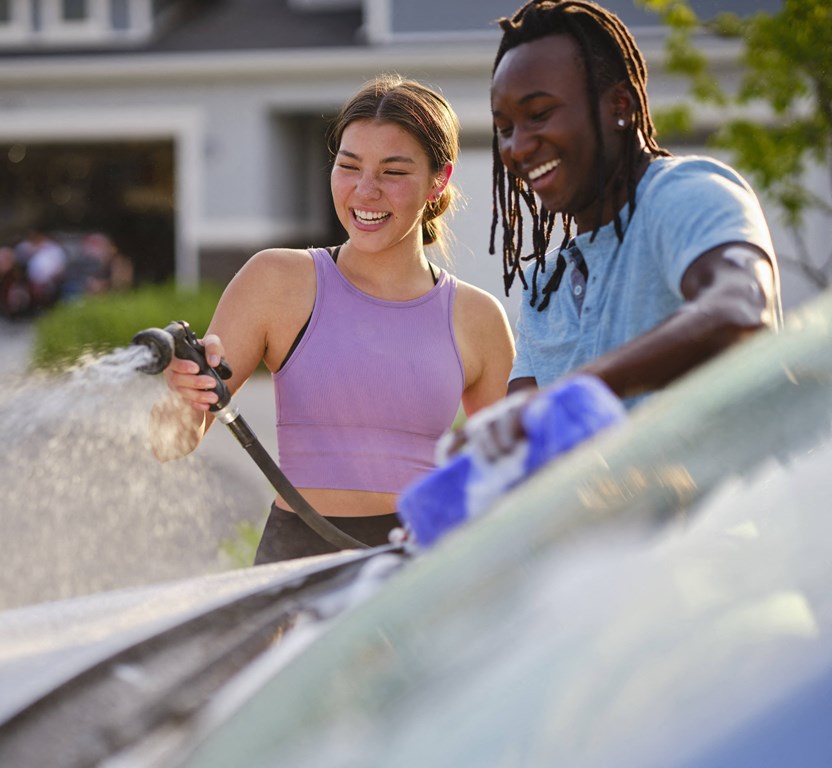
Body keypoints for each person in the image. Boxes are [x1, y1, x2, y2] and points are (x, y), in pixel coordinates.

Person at [150, 74, 516, 564]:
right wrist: (182, 395)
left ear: (439, 180)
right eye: (349, 166)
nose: (365, 191)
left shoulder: (479, 317)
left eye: (393, 171)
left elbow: (514, 473)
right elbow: (169, 443)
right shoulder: (276, 280)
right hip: (295, 559)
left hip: (420, 565)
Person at [455, 0, 782, 458]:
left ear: (620, 106)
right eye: (505, 128)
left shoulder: (684, 194)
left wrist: (576, 393)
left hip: (731, 526)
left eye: (540, 114)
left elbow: (738, 313)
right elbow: (528, 443)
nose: (518, 146)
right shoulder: (544, 286)